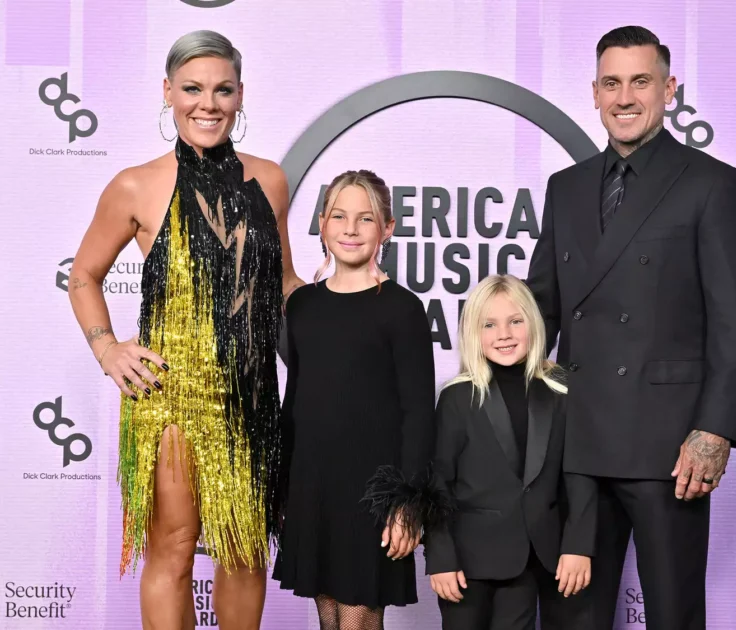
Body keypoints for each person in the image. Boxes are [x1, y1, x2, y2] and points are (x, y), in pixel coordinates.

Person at [526, 25, 736, 630]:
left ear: (669, 89)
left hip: (670, 447)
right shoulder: (566, 188)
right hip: (578, 445)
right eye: (611, 83)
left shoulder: (713, 184)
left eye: (640, 81)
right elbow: (541, 310)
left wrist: (715, 431)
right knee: (572, 617)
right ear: (595, 93)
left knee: (672, 615)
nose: (624, 97)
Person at [67, 30, 304, 629]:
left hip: (250, 398)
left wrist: (350, 300)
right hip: (169, 396)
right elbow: (84, 277)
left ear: (241, 96)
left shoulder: (270, 181)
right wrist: (108, 349)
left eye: (223, 90)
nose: (209, 103)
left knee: (246, 550)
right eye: (193, 88)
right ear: (168, 92)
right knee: (172, 549)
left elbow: (283, 286)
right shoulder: (134, 184)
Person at [273, 170, 449, 630]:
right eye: (340, 216)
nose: (351, 229)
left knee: (357, 619)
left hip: (373, 491)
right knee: (329, 619)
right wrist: (282, 486)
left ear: (387, 228)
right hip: (313, 484)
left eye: (366, 218)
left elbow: (417, 413)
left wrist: (408, 502)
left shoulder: (401, 308)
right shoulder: (304, 306)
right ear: (323, 224)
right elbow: (297, 401)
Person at [425, 275, 597, 630]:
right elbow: (437, 482)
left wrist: (578, 545)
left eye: (515, 321)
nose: (504, 334)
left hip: (532, 559)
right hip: (466, 563)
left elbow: (578, 475)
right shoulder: (457, 398)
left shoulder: (561, 392)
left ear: (532, 324)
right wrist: (440, 557)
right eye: (490, 324)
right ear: (474, 332)